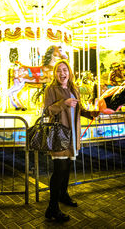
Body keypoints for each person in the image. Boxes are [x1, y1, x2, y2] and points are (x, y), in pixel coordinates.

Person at [43, 60, 100, 222]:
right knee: (59, 169)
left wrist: (91, 114)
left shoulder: (74, 88)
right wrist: (63, 103)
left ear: (69, 72)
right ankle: (52, 208)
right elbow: (47, 110)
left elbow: (79, 108)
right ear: (55, 73)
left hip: (73, 135)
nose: (62, 73)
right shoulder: (51, 90)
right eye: (59, 70)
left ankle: (63, 194)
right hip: (60, 135)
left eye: (65, 70)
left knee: (67, 167)